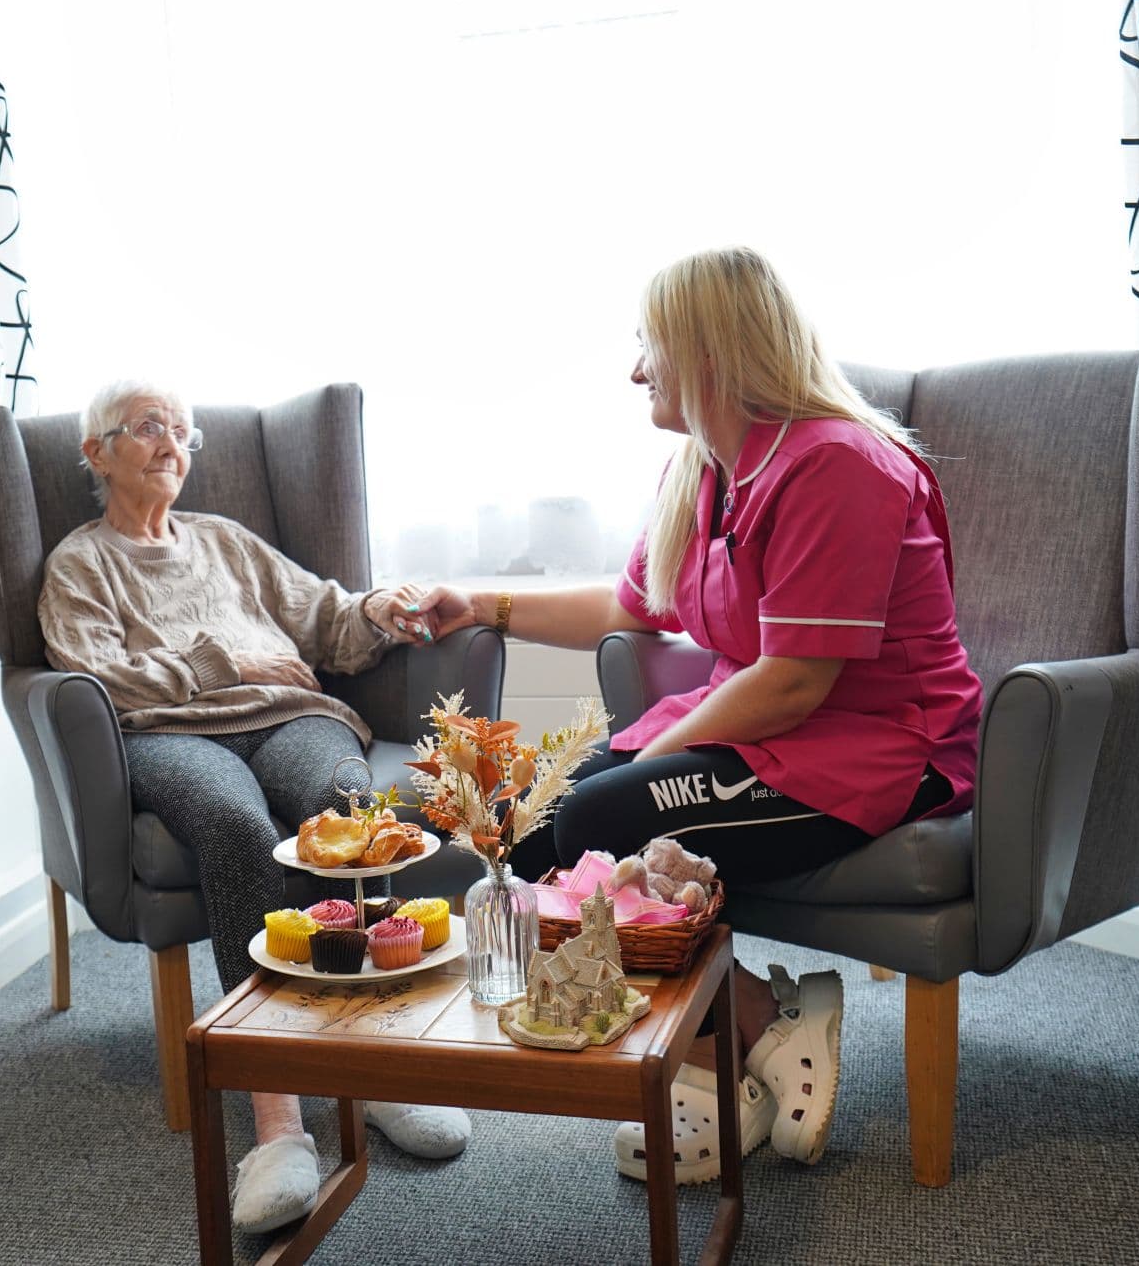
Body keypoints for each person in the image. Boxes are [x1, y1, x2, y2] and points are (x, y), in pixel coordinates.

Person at [414, 246, 982, 1184]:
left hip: (874, 750)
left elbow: (797, 680)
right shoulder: (706, 470)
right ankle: (762, 1025)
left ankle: (721, 1071)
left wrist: (648, 770)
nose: (637, 368)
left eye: (650, 344)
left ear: (709, 350)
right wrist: (479, 603)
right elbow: (626, 608)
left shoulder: (836, 464)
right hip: (767, 734)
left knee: (598, 816)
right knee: (533, 825)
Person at [38, 380, 471, 1235]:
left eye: (184, 432)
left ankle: (371, 1064)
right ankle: (277, 1116)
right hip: (172, 733)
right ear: (98, 453)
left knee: (349, 805)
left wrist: (377, 609)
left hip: (290, 716)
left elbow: (326, 619)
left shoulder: (227, 543)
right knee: (234, 829)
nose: (174, 444)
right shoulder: (80, 563)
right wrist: (226, 663)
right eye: (150, 428)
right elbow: (90, 671)